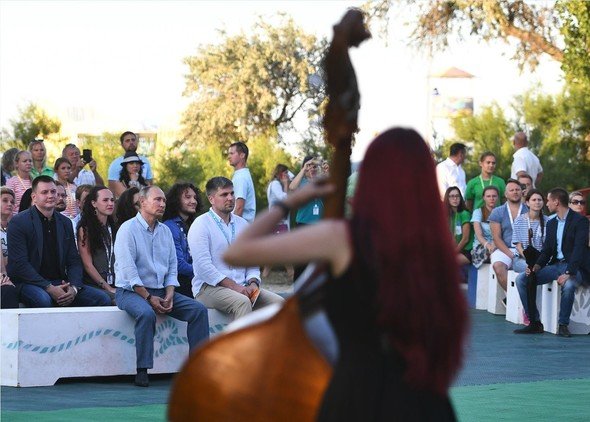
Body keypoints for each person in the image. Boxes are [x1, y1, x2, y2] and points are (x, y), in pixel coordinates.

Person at [224, 128, 466, 420]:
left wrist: (292, 200)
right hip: (424, 400)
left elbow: (238, 251)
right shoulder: (436, 246)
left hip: (357, 397)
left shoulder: (344, 238)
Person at [114, 185, 209, 387]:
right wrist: (149, 298)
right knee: (146, 313)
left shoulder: (165, 231)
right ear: (142, 202)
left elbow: (172, 267)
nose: (162, 204)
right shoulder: (127, 229)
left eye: (164, 200)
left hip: (161, 291)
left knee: (198, 310)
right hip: (129, 292)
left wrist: (170, 293)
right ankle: (142, 369)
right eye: (157, 199)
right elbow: (129, 272)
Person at [6, 175, 112, 308]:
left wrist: (74, 288)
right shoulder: (19, 222)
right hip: (28, 283)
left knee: (102, 299)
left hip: (60, 281)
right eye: (44, 192)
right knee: (43, 300)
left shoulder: (65, 222)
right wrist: (49, 287)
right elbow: (19, 264)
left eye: (53, 191)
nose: (50, 196)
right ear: (34, 197)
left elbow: (73, 260)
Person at [188, 177, 284, 320]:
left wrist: (253, 283)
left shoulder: (242, 224)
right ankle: (244, 336)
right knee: (243, 302)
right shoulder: (201, 224)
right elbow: (203, 267)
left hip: (242, 286)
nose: (230, 198)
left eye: (232, 193)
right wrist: (234, 287)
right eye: (224, 194)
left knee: (280, 303)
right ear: (211, 199)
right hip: (208, 288)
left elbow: (251, 261)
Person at [514, 188, 590, 337]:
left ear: (556, 202)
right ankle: (535, 323)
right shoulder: (552, 223)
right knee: (522, 279)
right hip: (556, 265)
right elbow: (547, 250)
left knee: (569, 285)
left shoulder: (580, 221)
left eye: (548, 200)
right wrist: (535, 267)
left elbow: (579, 249)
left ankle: (563, 325)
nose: (546, 203)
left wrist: (569, 273)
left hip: (575, 267)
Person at [78, 186, 118, 303]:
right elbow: (88, 265)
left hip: (115, 282)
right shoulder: (85, 229)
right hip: (93, 284)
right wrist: (108, 287)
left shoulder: (114, 227)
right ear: (94, 203)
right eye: (105, 200)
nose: (110, 203)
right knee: (113, 300)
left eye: (112, 200)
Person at [162, 182, 202, 298]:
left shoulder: (191, 225)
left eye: (195, 197)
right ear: (176, 200)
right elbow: (179, 265)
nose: (193, 201)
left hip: (193, 280)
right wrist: (204, 271)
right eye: (188, 197)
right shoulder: (170, 226)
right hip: (179, 285)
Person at [489, 179, 528, 292]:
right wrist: (511, 255)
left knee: (532, 269)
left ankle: (523, 297)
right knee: (498, 266)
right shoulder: (497, 211)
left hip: (525, 249)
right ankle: (513, 296)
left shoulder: (529, 209)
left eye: (517, 189)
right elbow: (496, 238)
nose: (515, 192)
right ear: (506, 194)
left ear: (522, 192)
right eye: (511, 190)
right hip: (504, 249)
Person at [262, 164, 294, 280]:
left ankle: (265, 276)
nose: (287, 175)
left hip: (277, 222)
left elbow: (292, 178)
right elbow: (284, 199)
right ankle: (291, 274)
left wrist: (287, 181)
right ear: (280, 173)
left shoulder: (275, 184)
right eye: (285, 172)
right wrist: (286, 184)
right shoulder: (275, 184)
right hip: (278, 223)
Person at [511, 189, 548, 274]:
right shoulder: (519, 220)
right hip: (522, 258)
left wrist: (539, 261)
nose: (537, 202)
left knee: (536, 269)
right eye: (534, 200)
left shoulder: (548, 221)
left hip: (541, 259)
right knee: (531, 268)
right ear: (527, 203)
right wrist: (530, 261)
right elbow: (518, 246)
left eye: (539, 200)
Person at [289, 155, 324, 226]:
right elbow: (292, 187)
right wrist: (304, 169)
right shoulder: (301, 181)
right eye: (309, 166)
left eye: (314, 167)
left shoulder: (320, 181)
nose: (312, 169)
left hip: (319, 222)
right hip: (303, 221)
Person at [471, 186, 500, 268]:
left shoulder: (501, 212)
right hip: (481, 246)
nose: (491, 198)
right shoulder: (478, 212)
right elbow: (479, 235)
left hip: (498, 244)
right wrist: (489, 246)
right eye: (488, 196)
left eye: (494, 196)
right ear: (484, 198)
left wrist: (495, 245)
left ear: (498, 197)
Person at [444, 186, 473, 266]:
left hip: (467, 251)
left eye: (457, 196)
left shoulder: (464, 213)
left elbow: (465, 239)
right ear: (447, 198)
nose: (455, 199)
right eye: (452, 196)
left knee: (446, 263)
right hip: (453, 249)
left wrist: (453, 253)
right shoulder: (448, 216)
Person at [228, 141, 256, 223]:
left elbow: (239, 207)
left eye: (232, 153)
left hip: (241, 227)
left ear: (242, 155)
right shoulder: (241, 174)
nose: (229, 156)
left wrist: (232, 227)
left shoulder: (241, 177)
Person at [1, 187, 18, 308]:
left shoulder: (16, 229)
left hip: (15, 274)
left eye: (12, 202)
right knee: (8, 290)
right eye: (5, 200)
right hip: (3, 277)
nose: (9, 204)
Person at [5, 150, 34, 214]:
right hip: (17, 216)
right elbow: (8, 204)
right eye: (25, 161)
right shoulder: (11, 182)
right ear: (16, 164)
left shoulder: (35, 181)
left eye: (30, 161)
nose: (28, 163)